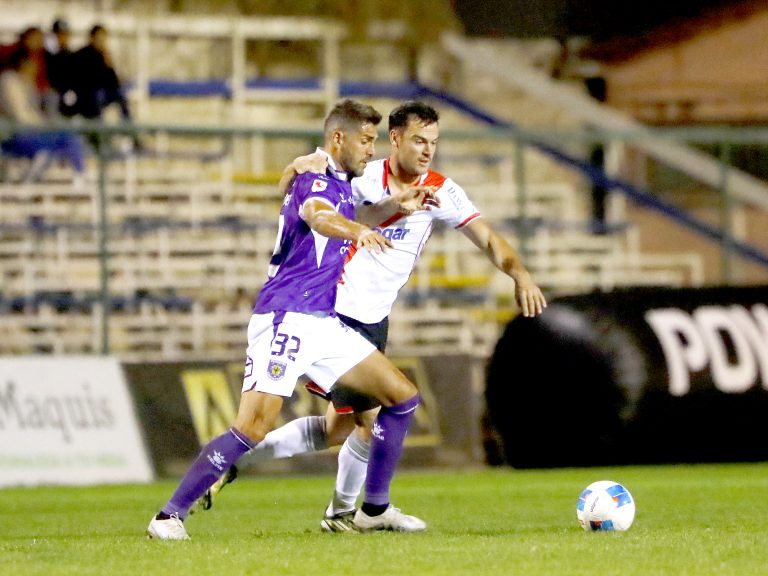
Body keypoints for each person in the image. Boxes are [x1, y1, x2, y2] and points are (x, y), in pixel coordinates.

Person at [199, 100, 547, 532]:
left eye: (434, 143)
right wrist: (297, 165)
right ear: (395, 138)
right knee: (376, 417)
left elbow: (489, 239)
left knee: (343, 429)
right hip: (334, 312)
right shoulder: (361, 176)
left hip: (374, 320)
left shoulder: (442, 189)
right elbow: (306, 192)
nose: (427, 151)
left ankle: (247, 465)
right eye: (419, 140)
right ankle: (365, 512)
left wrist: (521, 274)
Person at [146, 98, 427, 541]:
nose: (372, 150)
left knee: (402, 396)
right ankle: (168, 516)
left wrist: (396, 205)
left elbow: (350, 211)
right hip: (286, 318)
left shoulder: (337, 182)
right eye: (366, 140)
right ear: (339, 138)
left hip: (324, 322)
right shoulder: (315, 178)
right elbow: (319, 216)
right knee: (252, 427)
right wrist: (358, 232)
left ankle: (372, 510)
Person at [0, 49, 86, 180]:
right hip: (16, 136)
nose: (36, 68)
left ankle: (80, 178)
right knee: (60, 140)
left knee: (70, 138)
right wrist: (44, 125)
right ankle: (30, 182)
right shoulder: (8, 80)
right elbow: (20, 115)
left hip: (33, 131)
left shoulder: (27, 82)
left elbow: (34, 113)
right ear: (23, 63)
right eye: (33, 64)